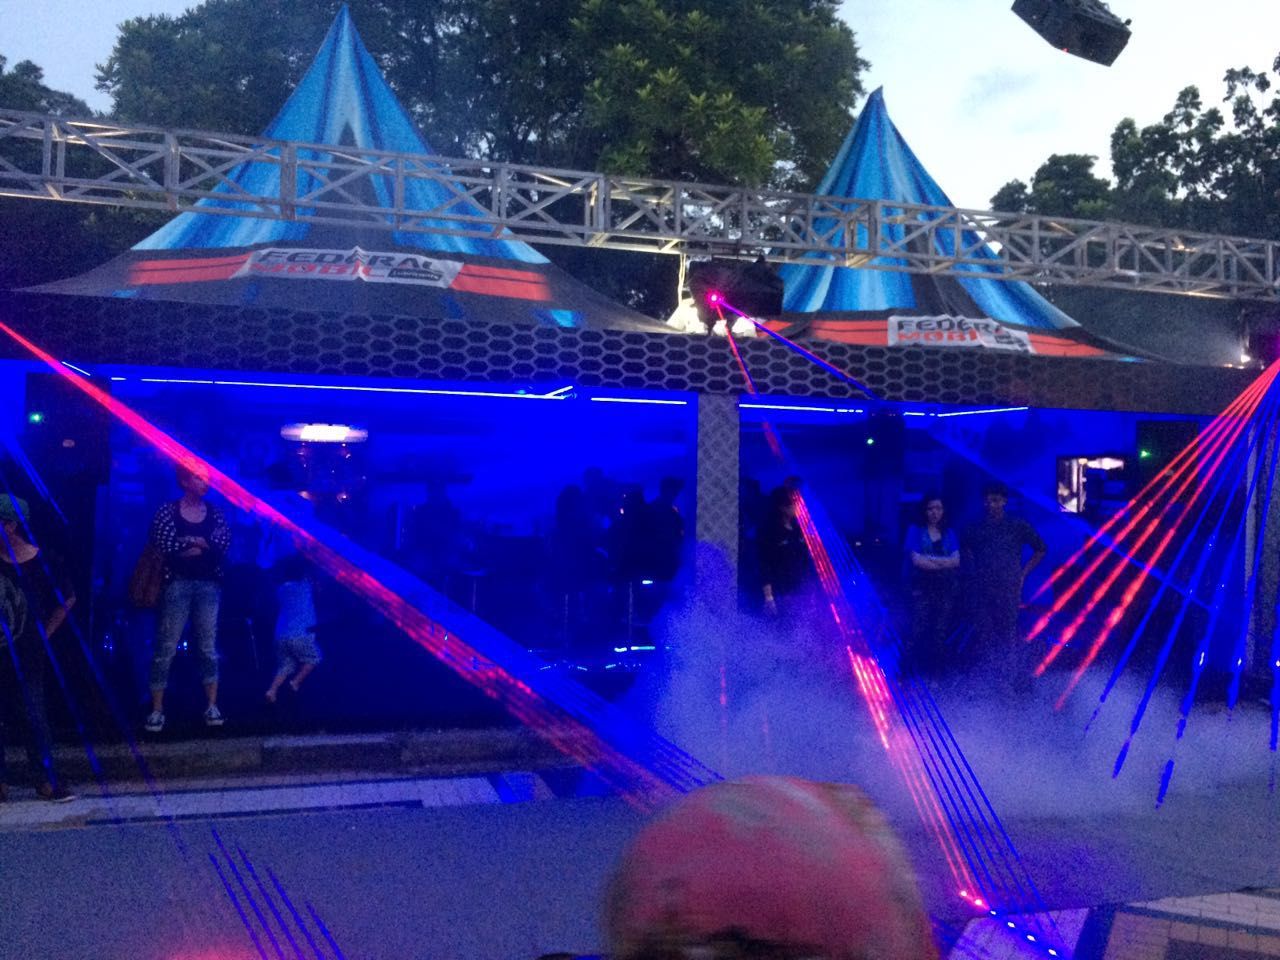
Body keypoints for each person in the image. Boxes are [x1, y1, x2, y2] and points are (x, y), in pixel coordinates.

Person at [145, 461, 231, 733]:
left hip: (208, 584)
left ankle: (212, 705)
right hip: (177, 583)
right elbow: (164, 543)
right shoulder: (168, 511)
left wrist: (189, 543)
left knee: (207, 646)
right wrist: (201, 544)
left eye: (206, 478)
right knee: (166, 646)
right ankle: (157, 709)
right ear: (184, 481)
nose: (205, 483)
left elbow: (223, 543)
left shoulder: (215, 512)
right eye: (199, 478)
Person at [0, 495, 76, 802]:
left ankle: (45, 779)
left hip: (27, 652)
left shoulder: (41, 561)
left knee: (34, 715)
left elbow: (67, 597)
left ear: (10, 526)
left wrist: (45, 632)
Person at [961, 482, 1045, 658]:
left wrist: (1023, 574)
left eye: (995, 501)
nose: (990, 505)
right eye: (987, 501)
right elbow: (965, 549)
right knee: (984, 632)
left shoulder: (1016, 525)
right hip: (982, 587)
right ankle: (987, 668)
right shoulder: (975, 527)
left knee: (1007, 633)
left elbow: (1041, 549)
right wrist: (973, 573)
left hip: (1008, 587)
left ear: (1004, 501)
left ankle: (1007, 670)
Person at [903, 494, 959, 677]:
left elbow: (956, 560)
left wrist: (930, 559)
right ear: (924, 510)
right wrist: (943, 562)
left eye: (938, 508)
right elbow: (917, 561)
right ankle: (907, 674)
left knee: (939, 632)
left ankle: (935, 674)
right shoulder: (915, 531)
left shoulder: (949, 533)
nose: (935, 512)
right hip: (921, 589)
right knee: (917, 629)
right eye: (930, 508)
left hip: (944, 589)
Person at [265, 552, 321, 702]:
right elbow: (315, 581)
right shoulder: (305, 586)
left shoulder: (281, 590)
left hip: (281, 635)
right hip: (300, 634)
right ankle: (295, 683)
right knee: (314, 658)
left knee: (286, 665)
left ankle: (272, 691)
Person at [758, 486, 816, 619]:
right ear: (782, 507)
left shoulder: (798, 530)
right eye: (795, 504)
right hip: (781, 591)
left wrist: (811, 590)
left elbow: (806, 561)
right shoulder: (769, 531)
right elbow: (764, 563)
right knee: (786, 623)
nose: (800, 508)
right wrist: (768, 597)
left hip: (802, 590)